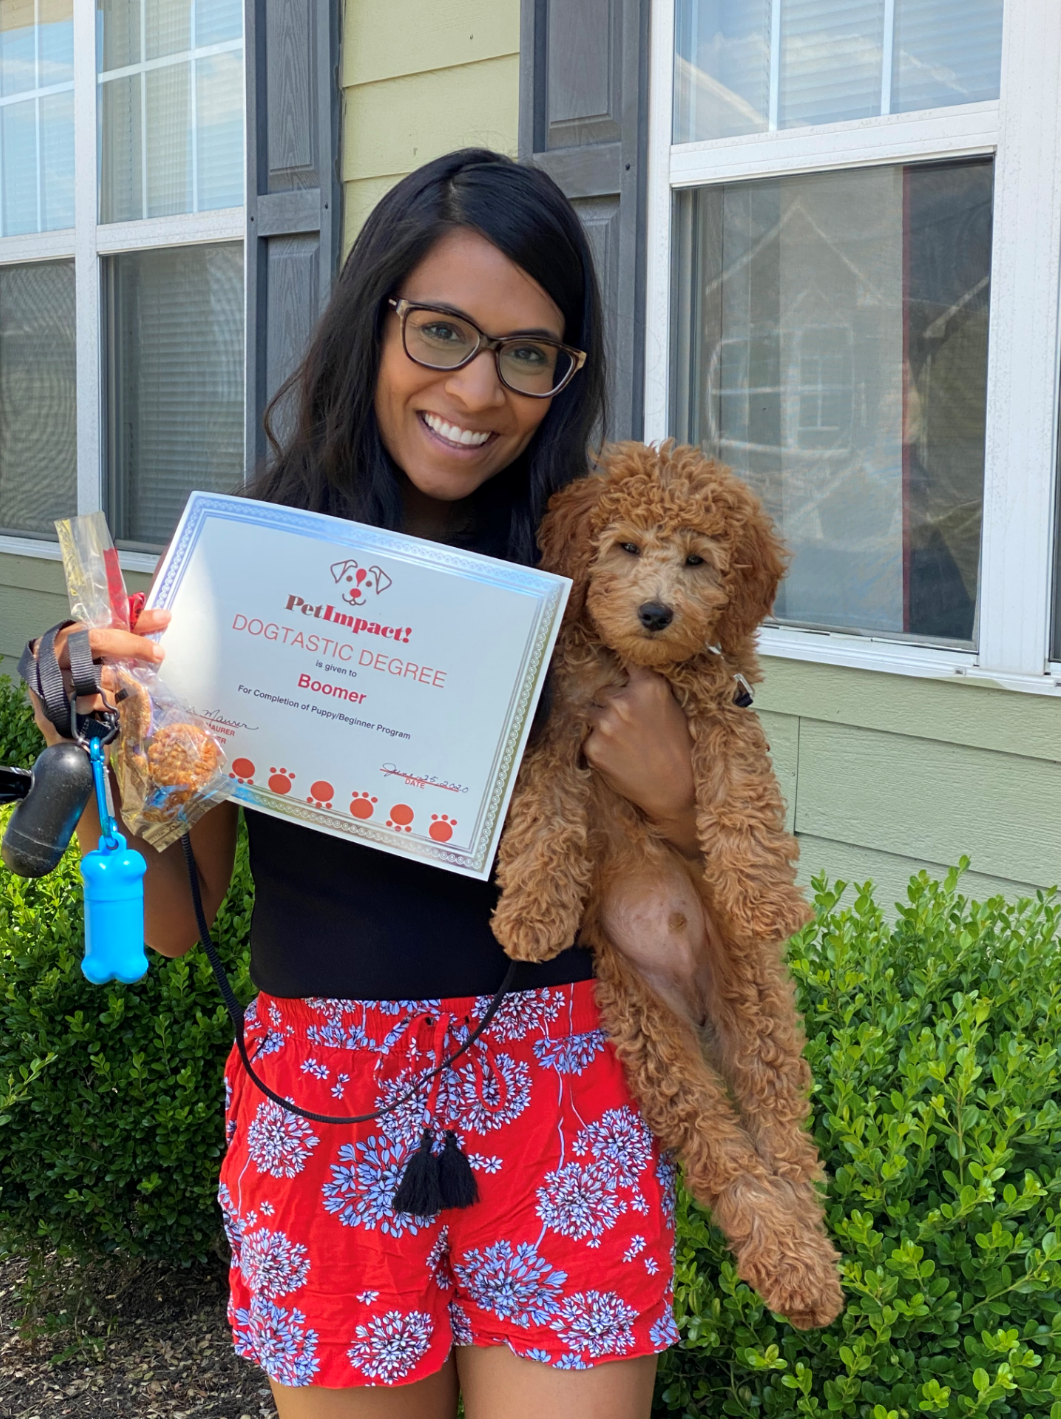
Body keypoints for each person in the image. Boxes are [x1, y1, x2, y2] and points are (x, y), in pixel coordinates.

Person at [29, 150, 702, 1419]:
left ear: (563, 376)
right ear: (371, 321)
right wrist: (121, 728)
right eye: (441, 331)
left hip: (557, 1090)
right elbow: (175, 925)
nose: (473, 389)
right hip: (323, 1102)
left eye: (525, 352)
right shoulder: (242, 580)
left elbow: (720, 928)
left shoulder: (611, 589)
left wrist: (670, 804)